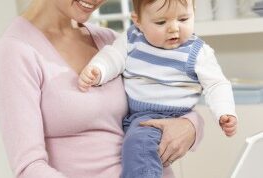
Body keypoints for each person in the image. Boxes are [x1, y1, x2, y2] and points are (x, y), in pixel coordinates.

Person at [0, 0, 205, 178]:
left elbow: (166, 98)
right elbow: (29, 168)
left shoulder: (110, 41)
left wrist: (191, 125)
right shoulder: (16, 50)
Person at [78, 0, 238, 177]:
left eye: (183, 19)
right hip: (137, 116)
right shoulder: (132, 38)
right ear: (138, 21)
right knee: (136, 146)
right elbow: (113, 57)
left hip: (163, 118)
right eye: (161, 22)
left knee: (140, 145)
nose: (174, 28)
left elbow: (216, 84)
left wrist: (225, 112)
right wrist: (98, 70)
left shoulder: (197, 51)